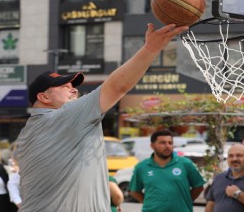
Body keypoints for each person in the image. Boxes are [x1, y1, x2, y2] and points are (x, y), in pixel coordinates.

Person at [13, 23, 188, 212]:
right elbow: (116, 87)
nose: (73, 89)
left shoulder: (26, 134)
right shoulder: (62, 118)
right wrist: (151, 48)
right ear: (44, 97)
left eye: (72, 85)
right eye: (64, 86)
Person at [129, 129, 205, 212]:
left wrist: (185, 202)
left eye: (170, 143)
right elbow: (134, 191)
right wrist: (149, 204)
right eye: (163, 143)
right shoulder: (142, 167)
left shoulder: (185, 164)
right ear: (152, 146)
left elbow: (198, 187)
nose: (167, 146)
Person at [205, 144, 244, 212]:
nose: (234, 159)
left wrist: (238, 194)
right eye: (231, 156)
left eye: (239, 155)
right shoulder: (218, 178)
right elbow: (211, 204)